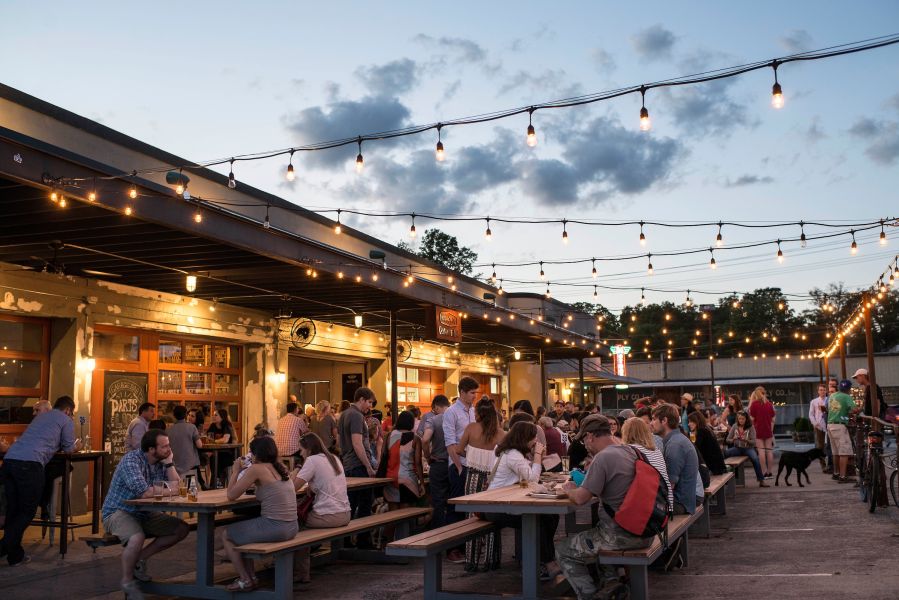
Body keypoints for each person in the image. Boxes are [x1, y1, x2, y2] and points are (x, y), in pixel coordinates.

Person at [555, 414, 654, 599]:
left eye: (584, 440)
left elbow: (581, 499)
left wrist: (569, 489)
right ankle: (611, 584)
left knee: (563, 550)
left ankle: (590, 595)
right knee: (594, 532)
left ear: (590, 436)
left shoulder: (603, 457)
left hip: (621, 535)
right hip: (646, 530)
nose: (585, 445)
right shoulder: (629, 450)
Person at [101, 429, 188, 599]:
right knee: (137, 537)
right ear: (151, 449)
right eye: (164, 446)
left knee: (181, 529)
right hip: (118, 511)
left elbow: (179, 487)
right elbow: (144, 492)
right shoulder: (131, 461)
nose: (169, 450)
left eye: (168, 445)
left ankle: (139, 559)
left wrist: (170, 464)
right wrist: (171, 489)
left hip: (144, 513)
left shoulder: (162, 462)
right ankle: (128, 582)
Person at [1, 395, 81, 566]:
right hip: (30, 464)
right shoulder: (66, 420)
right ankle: (3, 548)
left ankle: (15, 556)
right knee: (27, 511)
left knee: (14, 510)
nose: (72, 416)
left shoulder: (41, 417)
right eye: (72, 413)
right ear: (68, 410)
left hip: (9, 462)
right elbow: (68, 449)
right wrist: (77, 446)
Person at [219, 436, 299, 592]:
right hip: (292, 527)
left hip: (276, 527)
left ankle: (245, 579)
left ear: (255, 454)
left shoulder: (256, 469)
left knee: (227, 535)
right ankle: (252, 577)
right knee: (244, 531)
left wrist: (235, 471)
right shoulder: (281, 467)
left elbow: (231, 495)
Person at [485, 421, 559, 580]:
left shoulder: (512, 452)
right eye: (533, 437)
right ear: (524, 437)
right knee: (537, 520)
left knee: (551, 516)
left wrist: (536, 458)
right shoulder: (512, 454)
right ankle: (543, 563)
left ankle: (545, 560)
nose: (536, 441)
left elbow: (528, 477)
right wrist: (537, 455)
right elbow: (532, 478)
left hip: (504, 502)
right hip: (495, 507)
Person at [293, 432, 351, 584]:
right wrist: (312, 486)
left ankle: (300, 572)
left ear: (309, 449)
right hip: (345, 514)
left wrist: (297, 468)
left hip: (328, 517)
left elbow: (292, 488)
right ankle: (301, 568)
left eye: (301, 450)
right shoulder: (334, 458)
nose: (300, 453)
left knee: (295, 524)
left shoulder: (312, 461)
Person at [458, 398, 505, 571]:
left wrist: (472, 455)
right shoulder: (500, 433)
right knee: (493, 517)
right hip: (492, 481)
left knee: (472, 518)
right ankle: (491, 560)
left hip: (473, 478)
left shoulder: (471, 428)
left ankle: (471, 561)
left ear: (478, 413)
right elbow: (506, 455)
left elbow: (458, 450)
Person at [442, 378, 479, 564]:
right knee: (456, 507)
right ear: (462, 392)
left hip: (472, 464)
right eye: (472, 392)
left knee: (470, 507)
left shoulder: (473, 411)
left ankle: (467, 546)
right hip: (459, 465)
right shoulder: (451, 412)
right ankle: (453, 549)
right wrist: (458, 467)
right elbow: (450, 443)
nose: (474, 396)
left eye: (475, 393)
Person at [338, 387, 377, 548]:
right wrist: (368, 466)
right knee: (365, 504)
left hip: (348, 464)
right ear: (361, 399)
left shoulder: (344, 414)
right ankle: (363, 541)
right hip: (358, 464)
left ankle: (346, 540)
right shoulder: (356, 415)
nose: (370, 407)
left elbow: (339, 441)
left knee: (350, 504)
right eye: (369, 402)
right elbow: (357, 443)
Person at [651, 403, 699, 514]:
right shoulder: (677, 439)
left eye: (653, 419)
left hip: (679, 504)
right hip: (683, 501)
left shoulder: (675, 445)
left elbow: (669, 484)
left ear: (664, 421)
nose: (651, 423)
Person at [620, 417, 673, 511]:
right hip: (665, 505)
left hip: (650, 510)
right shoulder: (655, 450)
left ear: (626, 432)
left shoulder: (629, 450)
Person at [381, 411, 424, 508]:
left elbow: (383, 456)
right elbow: (418, 462)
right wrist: (421, 483)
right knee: (408, 511)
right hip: (408, 479)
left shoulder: (388, 436)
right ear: (411, 423)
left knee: (393, 513)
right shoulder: (415, 438)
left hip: (390, 478)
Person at [420, 395, 451, 529]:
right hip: (455, 464)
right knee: (453, 499)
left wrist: (428, 457)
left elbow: (425, 439)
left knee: (438, 501)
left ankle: (439, 531)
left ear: (436, 407)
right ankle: (453, 530)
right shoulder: (456, 418)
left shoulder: (433, 420)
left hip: (438, 463)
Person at [827, 379, 858, 483]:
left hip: (830, 424)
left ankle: (836, 473)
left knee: (835, 452)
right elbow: (854, 410)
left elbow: (835, 409)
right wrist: (859, 409)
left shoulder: (832, 396)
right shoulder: (846, 396)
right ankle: (843, 476)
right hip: (840, 426)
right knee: (844, 452)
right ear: (849, 389)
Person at [724, 411, 768, 486]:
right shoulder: (735, 426)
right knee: (725, 453)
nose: (741, 420)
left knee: (755, 459)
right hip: (737, 448)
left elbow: (754, 442)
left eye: (743, 419)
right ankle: (725, 478)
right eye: (739, 419)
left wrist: (746, 440)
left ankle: (761, 480)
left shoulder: (750, 427)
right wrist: (733, 439)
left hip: (748, 448)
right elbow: (727, 440)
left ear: (746, 419)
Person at [167, 405, 204, 487]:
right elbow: (199, 445)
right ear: (185, 415)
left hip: (174, 467)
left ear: (174, 415)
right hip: (190, 466)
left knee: (178, 491)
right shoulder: (192, 427)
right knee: (191, 491)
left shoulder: (168, 430)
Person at [748, 387, 775, 479]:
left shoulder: (754, 405)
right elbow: (773, 419)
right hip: (768, 430)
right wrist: (771, 429)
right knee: (769, 451)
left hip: (758, 430)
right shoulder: (769, 404)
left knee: (761, 451)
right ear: (764, 394)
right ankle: (770, 472)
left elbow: (752, 419)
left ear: (755, 394)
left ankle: (764, 472)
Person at [688, 411, 726, 475]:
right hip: (717, 466)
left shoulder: (701, 432)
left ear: (697, 421)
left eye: (690, 421)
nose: (688, 424)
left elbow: (696, 449)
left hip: (714, 469)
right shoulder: (705, 428)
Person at [206, 409, 237, 484]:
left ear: (222, 417)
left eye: (216, 415)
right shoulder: (212, 426)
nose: (213, 416)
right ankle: (215, 483)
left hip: (226, 453)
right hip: (216, 452)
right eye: (213, 415)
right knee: (212, 458)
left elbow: (225, 439)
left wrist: (214, 441)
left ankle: (219, 483)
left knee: (218, 461)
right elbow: (208, 438)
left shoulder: (227, 425)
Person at [809, 384, 829, 473]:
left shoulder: (829, 400)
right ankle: (823, 465)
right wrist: (815, 423)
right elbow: (811, 414)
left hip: (828, 425)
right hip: (819, 426)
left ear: (826, 391)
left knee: (829, 446)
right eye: (820, 390)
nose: (822, 391)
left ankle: (830, 464)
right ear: (818, 391)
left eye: (824, 390)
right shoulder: (814, 401)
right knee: (820, 446)